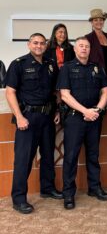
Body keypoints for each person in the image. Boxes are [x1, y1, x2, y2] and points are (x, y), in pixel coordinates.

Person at [5, 33, 62, 214]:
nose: (38, 46)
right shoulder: (18, 64)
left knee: (47, 155)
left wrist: (58, 110)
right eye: (35, 43)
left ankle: (47, 188)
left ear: (46, 45)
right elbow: (10, 92)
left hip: (47, 117)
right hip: (27, 118)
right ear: (29, 44)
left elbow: (57, 91)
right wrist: (19, 116)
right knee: (24, 159)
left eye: (42, 43)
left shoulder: (51, 64)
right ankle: (19, 198)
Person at [56, 37, 107, 210]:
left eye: (87, 46)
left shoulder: (97, 67)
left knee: (93, 155)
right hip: (74, 118)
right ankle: (68, 194)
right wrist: (85, 111)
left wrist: (97, 110)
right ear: (75, 49)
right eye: (81, 46)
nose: (84, 49)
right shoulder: (67, 68)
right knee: (71, 157)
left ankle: (94, 188)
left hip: (94, 117)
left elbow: (105, 92)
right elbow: (65, 95)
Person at [85, 8, 107, 79]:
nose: (99, 22)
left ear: (103, 21)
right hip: (96, 75)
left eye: (101, 20)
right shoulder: (88, 38)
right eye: (95, 20)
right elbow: (86, 58)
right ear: (92, 23)